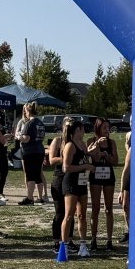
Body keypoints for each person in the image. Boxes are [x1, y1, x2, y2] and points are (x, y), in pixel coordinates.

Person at [59, 119, 92, 258]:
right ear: (78, 130)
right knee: (69, 216)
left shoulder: (83, 145)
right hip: (71, 183)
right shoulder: (70, 146)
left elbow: (85, 160)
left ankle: (83, 245)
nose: (84, 131)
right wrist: (85, 167)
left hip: (82, 183)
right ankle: (64, 246)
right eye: (83, 128)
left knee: (82, 215)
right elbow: (66, 167)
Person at [87, 117, 119, 251]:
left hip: (108, 176)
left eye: (108, 127)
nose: (107, 130)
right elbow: (90, 156)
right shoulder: (91, 141)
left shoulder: (112, 143)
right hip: (95, 175)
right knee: (95, 208)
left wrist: (106, 156)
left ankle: (109, 240)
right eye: (104, 127)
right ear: (98, 128)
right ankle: (93, 239)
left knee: (108, 208)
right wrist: (97, 146)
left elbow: (116, 161)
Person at [15, 103, 47, 204]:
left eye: (25, 111)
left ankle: (29, 198)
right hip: (40, 150)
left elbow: (26, 139)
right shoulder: (40, 123)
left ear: (28, 111)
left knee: (30, 175)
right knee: (38, 175)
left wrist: (18, 137)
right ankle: (40, 197)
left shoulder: (29, 123)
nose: (25, 113)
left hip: (30, 152)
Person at [48, 122, 67, 255]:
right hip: (59, 178)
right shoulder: (57, 140)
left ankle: (68, 240)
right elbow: (51, 160)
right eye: (67, 126)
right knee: (60, 211)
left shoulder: (76, 141)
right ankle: (56, 240)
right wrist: (66, 158)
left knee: (69, 212)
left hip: (72, 178)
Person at [118, 128, 132, 242]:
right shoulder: (132, 149)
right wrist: (121, 191)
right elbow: (125, 170)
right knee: (125, 206)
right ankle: (130, 231)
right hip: (130, 178)